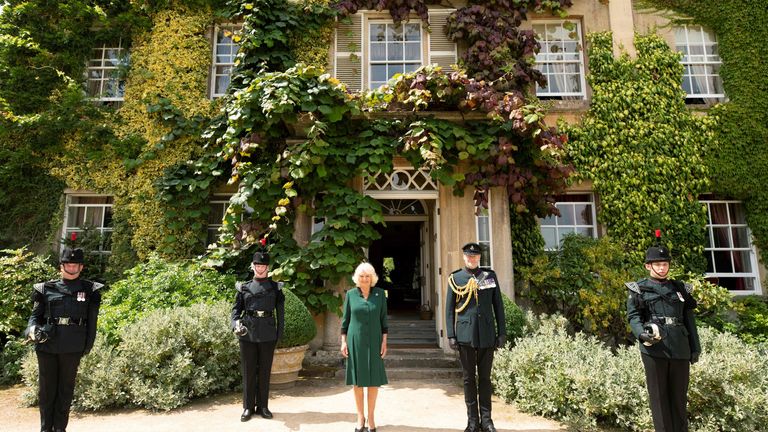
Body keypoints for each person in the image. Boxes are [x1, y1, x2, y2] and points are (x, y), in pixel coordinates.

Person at [626, 231, 701, 432]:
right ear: (648, 266)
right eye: (658, 264)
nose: (662, 268)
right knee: (659, 399)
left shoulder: (680, 289)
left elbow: (688, 319)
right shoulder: (638, 289)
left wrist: (695, 348)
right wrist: (641, 334)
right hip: (654, 349)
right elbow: (634, 317)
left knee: (679, 398)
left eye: (665, 264)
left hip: (680, 347)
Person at [25, 247, 104, 432]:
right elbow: (34, 317)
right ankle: (45, 429)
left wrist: (88, 345)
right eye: (68, 263)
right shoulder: (45, 289)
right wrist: (31, 330)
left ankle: (60, 429)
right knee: (46, 391)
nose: (71, 267)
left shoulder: (90, 290)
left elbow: (92, 321)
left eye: (75, 264)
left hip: (72, 346)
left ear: (81, 266)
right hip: (47, 346)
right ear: (61, 266)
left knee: (65, 391)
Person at [445, 242, 506, 432]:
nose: (471, 259)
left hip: (487, 334)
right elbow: (449, 309)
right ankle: (472, 422)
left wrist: (502, 332)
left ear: (479, 258)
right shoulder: (456, 278)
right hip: (465, 335)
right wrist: (451, 335)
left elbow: (498, 306)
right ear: (464, 257)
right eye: (468, 256)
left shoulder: (489, 276)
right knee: (468, 379)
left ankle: (487, 421)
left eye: (475, 256)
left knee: (485, 379)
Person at [231, 250, 285, 422]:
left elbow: (281, 313)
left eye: (262, 265)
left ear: (267, 267)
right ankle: (247, 407)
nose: (260, 268)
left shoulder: (276, 288)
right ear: (253, 267)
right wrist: (235, 325)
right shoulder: (244, 287)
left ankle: (263, 407)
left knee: (264, 372)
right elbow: (235, 311)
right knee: (248, 371)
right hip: (247, 333)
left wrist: (279, 334)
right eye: (257, 265)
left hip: (268, 333)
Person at [340, 262, 388, 432]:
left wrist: (384, 341)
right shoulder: (351, 295)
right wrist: (343, 341)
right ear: (357, 279)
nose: (365, 279)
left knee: (374, 380)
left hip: (375, 340)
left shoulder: (380, 294)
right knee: (358, 382)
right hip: (355, 341)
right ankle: (360, 417)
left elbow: (384, 320)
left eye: (368, 276)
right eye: (361, 276)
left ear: (372, 277)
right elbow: (345, 321)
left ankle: (372, 417)